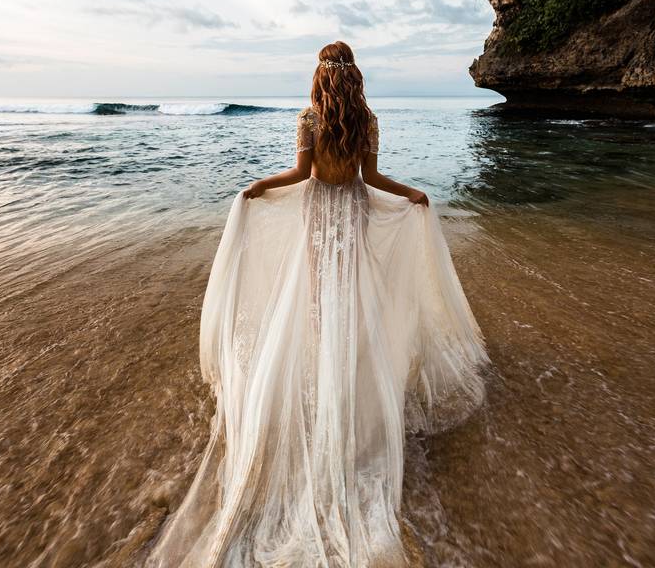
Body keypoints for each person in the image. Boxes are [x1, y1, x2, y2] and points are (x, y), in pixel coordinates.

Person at [145, 41, 488, 567]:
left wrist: (259, 186)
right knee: (348, 296)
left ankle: (317, 376)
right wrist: (412, 193)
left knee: (315, 297)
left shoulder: (309, 118)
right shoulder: (367, 119)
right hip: (351, 215)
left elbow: (301, 177)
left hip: (316, 217)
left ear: (321, 76)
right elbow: (370, 181)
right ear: (353, 77)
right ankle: (345, 376)